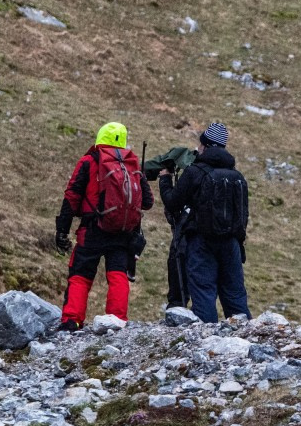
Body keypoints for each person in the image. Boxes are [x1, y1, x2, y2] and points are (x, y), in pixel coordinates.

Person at [56, 122, 153, 331]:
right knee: (118, 274)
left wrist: (62, 229)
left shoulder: (89, 160)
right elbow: (148, 202)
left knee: (81, 274)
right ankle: (117, 320)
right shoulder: (133, 164)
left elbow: (72, 195)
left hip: (92, 228)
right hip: (123, 231)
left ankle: (72, 320)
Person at [158, 122, 251, 323]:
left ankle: (207, 341)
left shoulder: (195, 171)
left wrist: (165, 179)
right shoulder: (237, 176)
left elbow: (173, 202)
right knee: (235, 295)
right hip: (232, 244)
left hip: (201, 242)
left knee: (203, 292)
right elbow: (243, 215)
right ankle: (244, 342)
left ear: (205, 146)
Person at [143, 145, 198, 310]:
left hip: (187, 228)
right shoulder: (221, 169)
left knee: (178, 264)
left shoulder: (185, 161)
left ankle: (177, 308)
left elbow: (172, 202)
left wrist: (165, 179)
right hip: (206, 230)